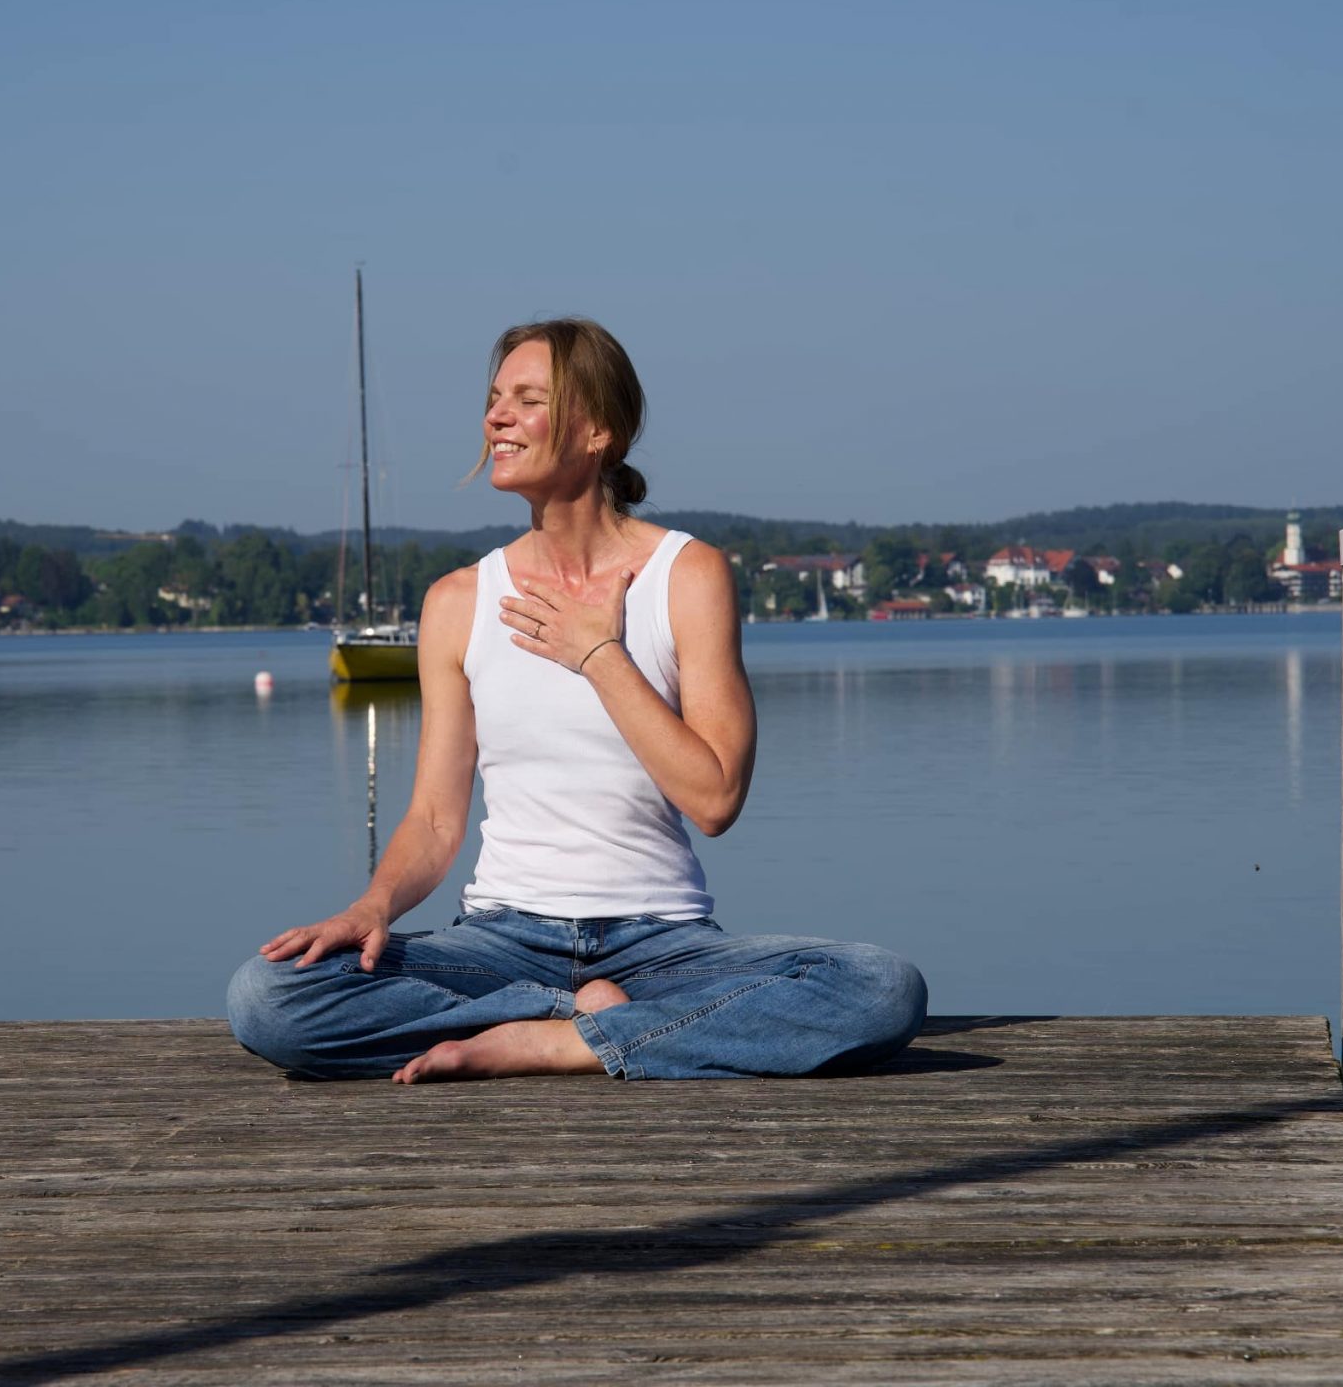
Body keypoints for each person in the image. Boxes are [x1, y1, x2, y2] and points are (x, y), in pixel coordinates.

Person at [227, 318, 925, 1082]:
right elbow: (434, 817)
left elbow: (716, 798)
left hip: (663, 946)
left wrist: (599, 655)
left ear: (599, 431)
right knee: (268, 996)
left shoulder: (687, 576)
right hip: (498, 943)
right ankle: (582, 1018)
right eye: (495, 398)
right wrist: (374, 907)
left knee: (880, 987)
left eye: (527, 399)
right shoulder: (458, 601)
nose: (495, 417)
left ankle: (559, 1042)